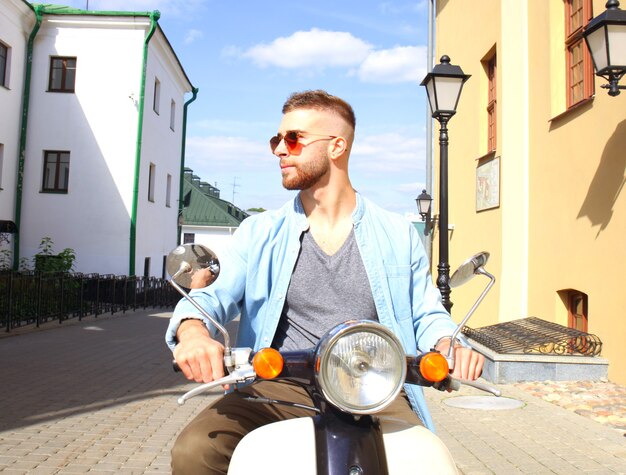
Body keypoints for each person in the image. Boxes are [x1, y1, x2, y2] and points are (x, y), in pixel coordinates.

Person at [165, 90, 484, 474]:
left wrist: (449, 342)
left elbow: (427, 311)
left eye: (294, 138)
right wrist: (194, 334)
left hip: (372, 387)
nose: (281, 150)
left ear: (337, 147)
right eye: (276, 140)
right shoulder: (259, 231)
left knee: (426, 462)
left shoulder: (397, 234)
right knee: (196, 449)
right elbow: (212, 297)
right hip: (277, 381)